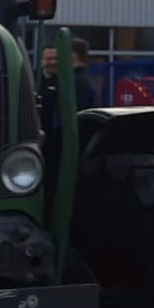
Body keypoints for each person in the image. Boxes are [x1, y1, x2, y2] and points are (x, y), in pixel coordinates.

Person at [38, 36, 96, 205]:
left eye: (58, 55)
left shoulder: (76, 84)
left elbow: (68, 118)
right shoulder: (75, 81)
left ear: (70, 56)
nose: (54, 61)